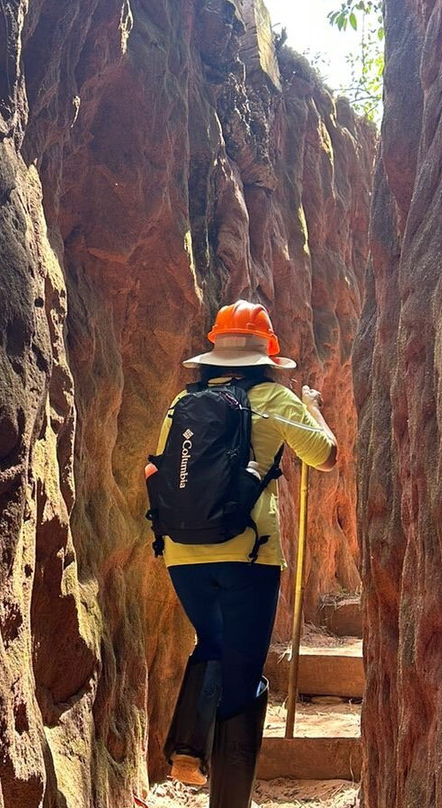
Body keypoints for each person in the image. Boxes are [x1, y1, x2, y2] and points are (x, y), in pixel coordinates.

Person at [154, 300, 337, 808]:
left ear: (215, 353)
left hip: (183, 553)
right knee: (242, 680)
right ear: (266, 357)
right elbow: (325, 455)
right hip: (249, 558)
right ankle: (229, 799)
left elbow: (164, 474)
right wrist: (314, 408)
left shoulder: (180, 404)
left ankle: (189, 750)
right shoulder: (275, 399)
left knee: (211, 639)